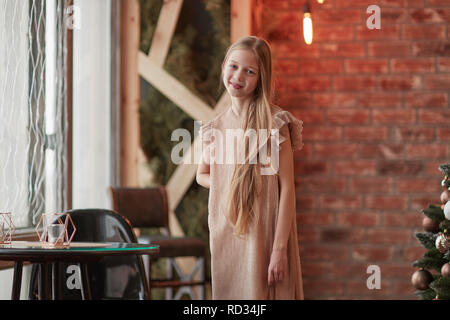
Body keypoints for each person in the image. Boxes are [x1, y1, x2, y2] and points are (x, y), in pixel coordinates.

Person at [196, 36, 304, 300]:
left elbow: (287, 188)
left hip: (267, 238)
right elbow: (202, 175)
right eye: (233, 66)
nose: (238, 76)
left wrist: (279, 249)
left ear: (260, 79)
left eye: (249, 71)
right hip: (230, 236)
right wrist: (230, 180)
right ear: (223, 67)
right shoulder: (216, 128)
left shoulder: (276, 124)